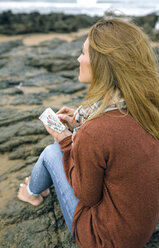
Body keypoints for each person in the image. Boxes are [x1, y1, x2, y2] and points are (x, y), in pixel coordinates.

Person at [17, 18, 159, 248]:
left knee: (52, 152)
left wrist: (65, 140)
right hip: (140, 228)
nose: (78, 59)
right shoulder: (146, 107)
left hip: (106, 239)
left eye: (83, 53)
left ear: (102, 64)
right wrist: (79, 128)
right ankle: (36, 185)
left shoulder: (97, 131)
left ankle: (31, 192)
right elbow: (119, 147)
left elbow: (87, 196)